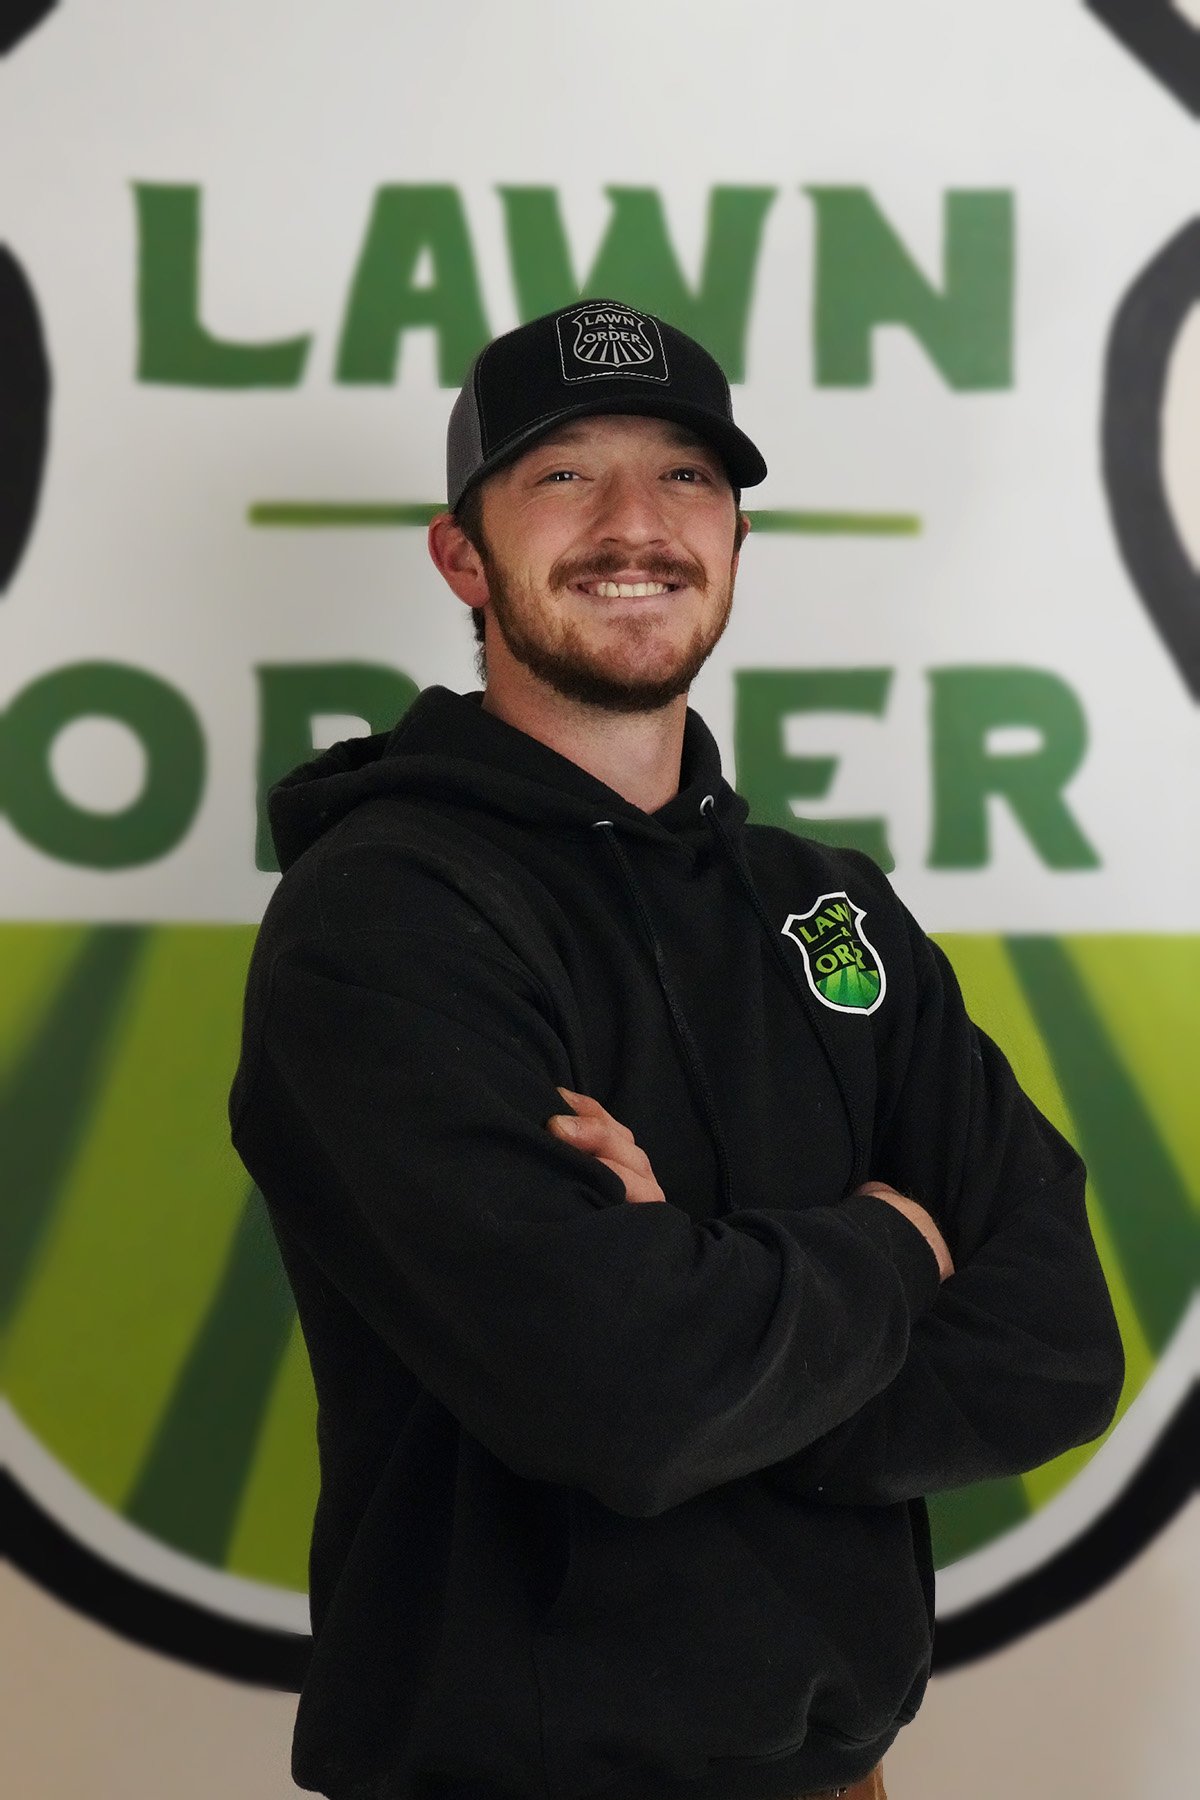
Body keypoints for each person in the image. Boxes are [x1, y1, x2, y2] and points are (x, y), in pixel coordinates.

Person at [228, 297, 1125, 1800]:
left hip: (845, 1779)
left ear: (736, 542)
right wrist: (890, 1256)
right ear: (465, 555)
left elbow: (1054, 1350)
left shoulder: (827, 910)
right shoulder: (383, 916)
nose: (635, 522)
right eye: (565, 474)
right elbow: (616, 1397)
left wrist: (715, 1317)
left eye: (688, 477)